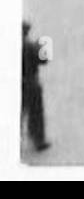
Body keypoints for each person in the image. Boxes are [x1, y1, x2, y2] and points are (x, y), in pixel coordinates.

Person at [21, 20, 51, 152]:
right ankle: (38, 140)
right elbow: (43, 60)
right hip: (31, 83)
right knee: (35, 113)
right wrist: (44, 46)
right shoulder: (31, 46)